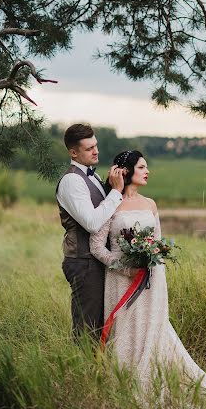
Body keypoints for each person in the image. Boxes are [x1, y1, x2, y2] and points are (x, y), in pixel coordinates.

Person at [89, 150, 206, 399]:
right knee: (125, 332)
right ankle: (125, 388)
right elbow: (96, 247)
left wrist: (149, 262)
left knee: (153, 330)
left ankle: (155, 381)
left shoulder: (150, 204)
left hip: (151, 280)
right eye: (142, 167)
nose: (148, 171)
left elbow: (156, 243)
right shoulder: (110, 205)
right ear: (126, 171)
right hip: (119, 281)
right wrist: (125, 267)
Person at [56, 123, 125, 336]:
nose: (96, 151)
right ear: (73, 152)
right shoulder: (71, 181)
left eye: (95, 145)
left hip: (96, 259)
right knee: (87, 327)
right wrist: (116, 191)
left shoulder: (92, 176)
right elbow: (93, 223)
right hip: (83, 260)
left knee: (100, 324)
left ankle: (98, 367)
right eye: (88, 148)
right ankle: (82, 368)